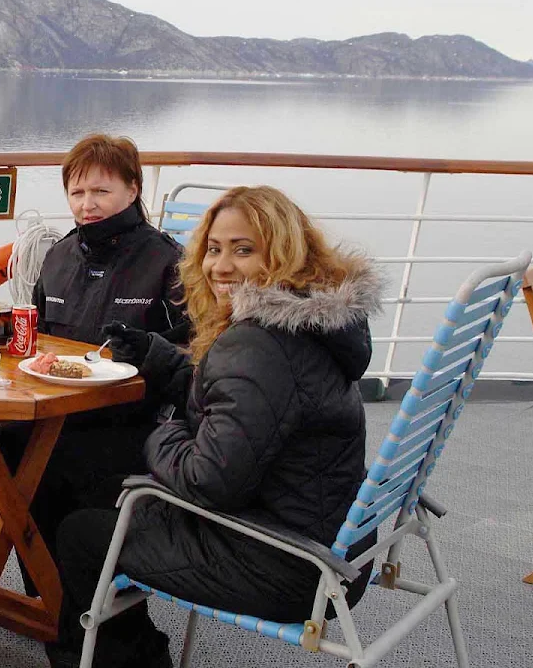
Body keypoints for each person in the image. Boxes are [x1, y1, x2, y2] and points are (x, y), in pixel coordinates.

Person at [46, 185, 382, 668]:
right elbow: (247, 402)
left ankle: (127, 656)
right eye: (214, 249)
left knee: (82, 532)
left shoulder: (258, 345)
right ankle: (119, 641)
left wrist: (161, 424)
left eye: (243, 250)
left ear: (284, 255)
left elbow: (208, 483)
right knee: (91, 485)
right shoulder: (314, 324)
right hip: (326, 538)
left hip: (285, 561)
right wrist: (162, 359)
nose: (220, 266)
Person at [0, 133, 188, 595]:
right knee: (3, 448)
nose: (88, 204)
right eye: (77, 193)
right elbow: (38, 334)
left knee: (54, 464)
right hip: (61, 410)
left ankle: (74, 592)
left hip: (135, 422)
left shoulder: (167, 262)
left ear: (133, 190)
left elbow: (192, 352)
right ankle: (48, 587)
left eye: (101, 191)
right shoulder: (60, 254)